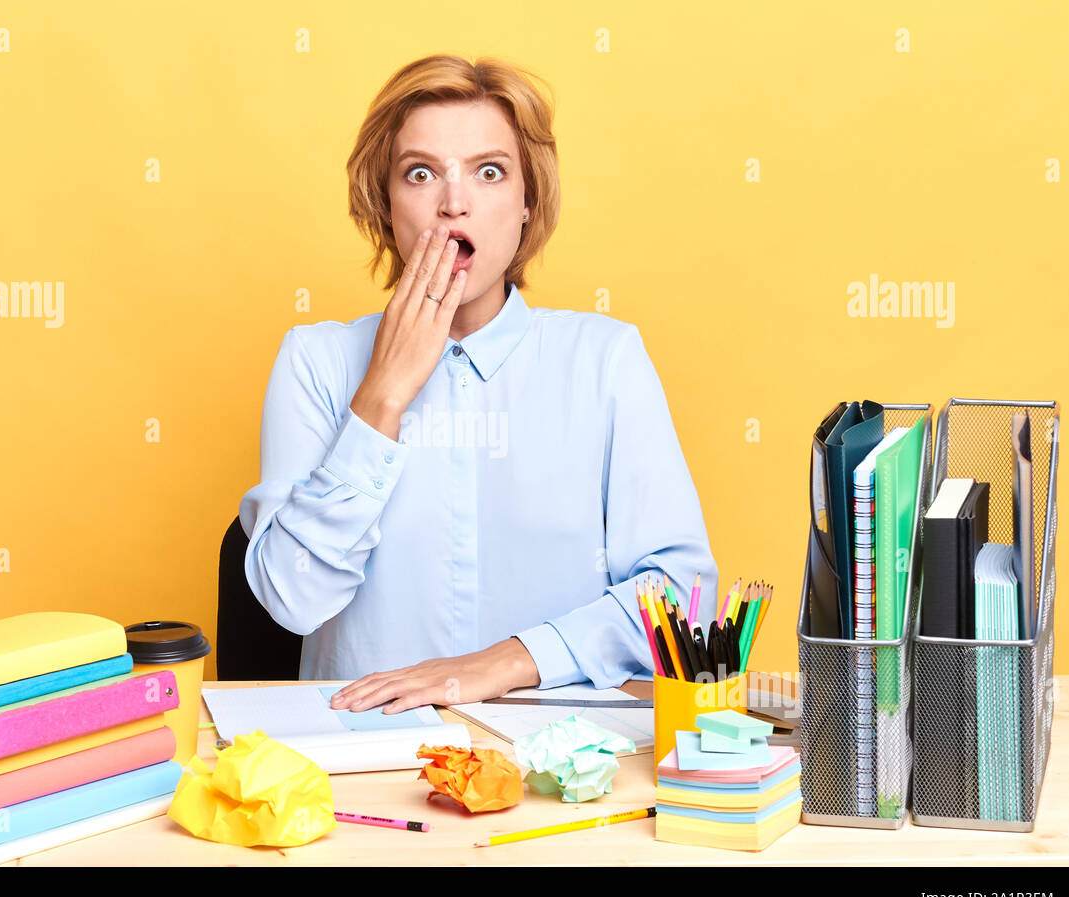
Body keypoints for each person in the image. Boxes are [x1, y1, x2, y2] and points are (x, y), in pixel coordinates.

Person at [238, 54, 717, 714]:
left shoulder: (606, 359)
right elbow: (292, 600)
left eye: (489, 172)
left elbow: (681, 598)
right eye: (420, 173)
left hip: (560, 753)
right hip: (372, 750)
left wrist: (503, 663)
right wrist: (382, 395)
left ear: (526, 205)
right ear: (385, 205)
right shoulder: (315, 361)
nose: (453, 203)